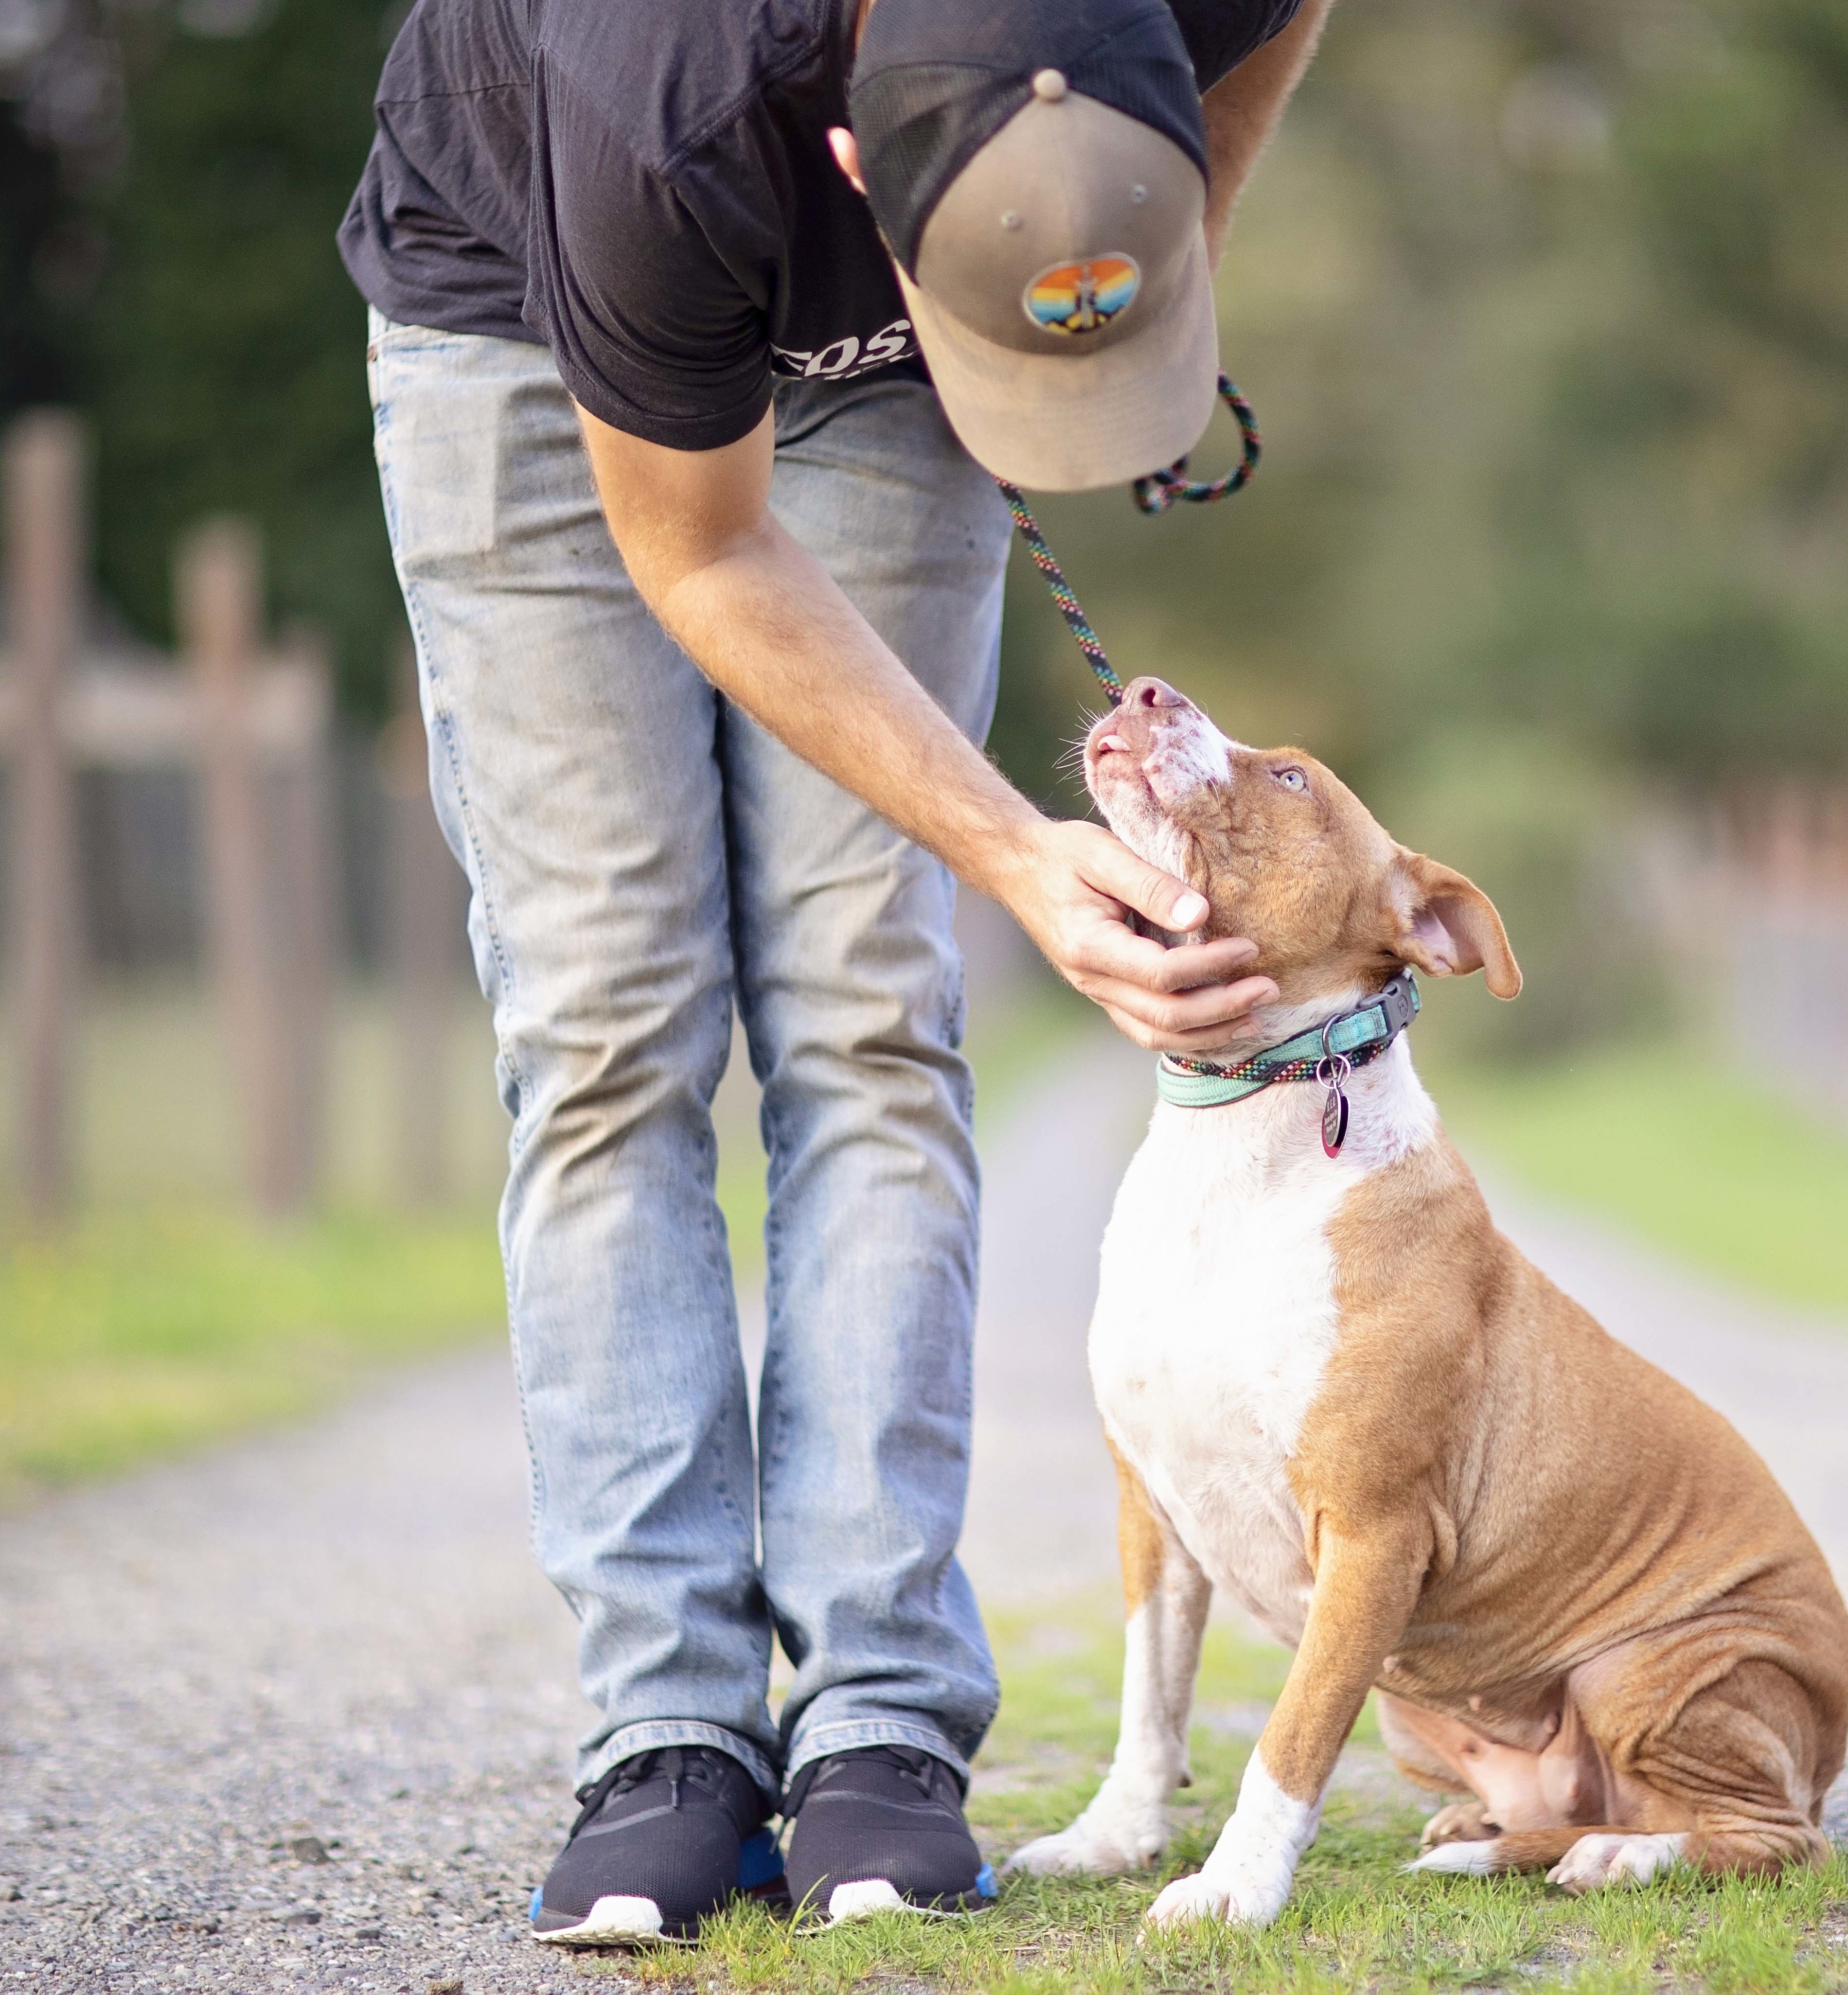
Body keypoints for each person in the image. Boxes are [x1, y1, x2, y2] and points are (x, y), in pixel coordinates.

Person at [337, 0, 1324, 1944]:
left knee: (872, 1012)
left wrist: (1116, 252)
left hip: (895, 361)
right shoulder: (669, 94)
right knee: (612, 1028)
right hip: (530, 335)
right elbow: (699, 552)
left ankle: (881, 1721)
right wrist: (1021, 857)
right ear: (861, 171)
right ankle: (669, 1738)